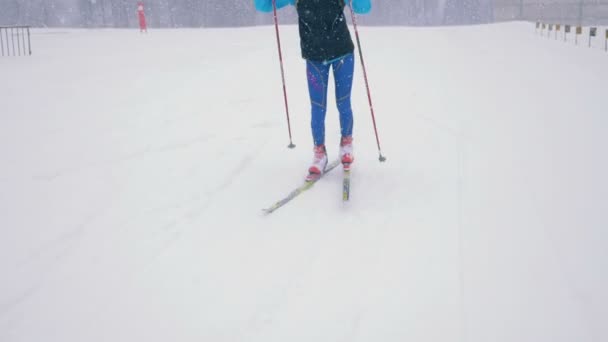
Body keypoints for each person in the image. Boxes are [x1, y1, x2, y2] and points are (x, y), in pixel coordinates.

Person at [254, 0, 372, 181]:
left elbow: (364, 8)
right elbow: (264, 6)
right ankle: (319, 152)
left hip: (343, 54)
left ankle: (346, 144)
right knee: (318, 107)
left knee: (343, 102)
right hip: (315, 58)